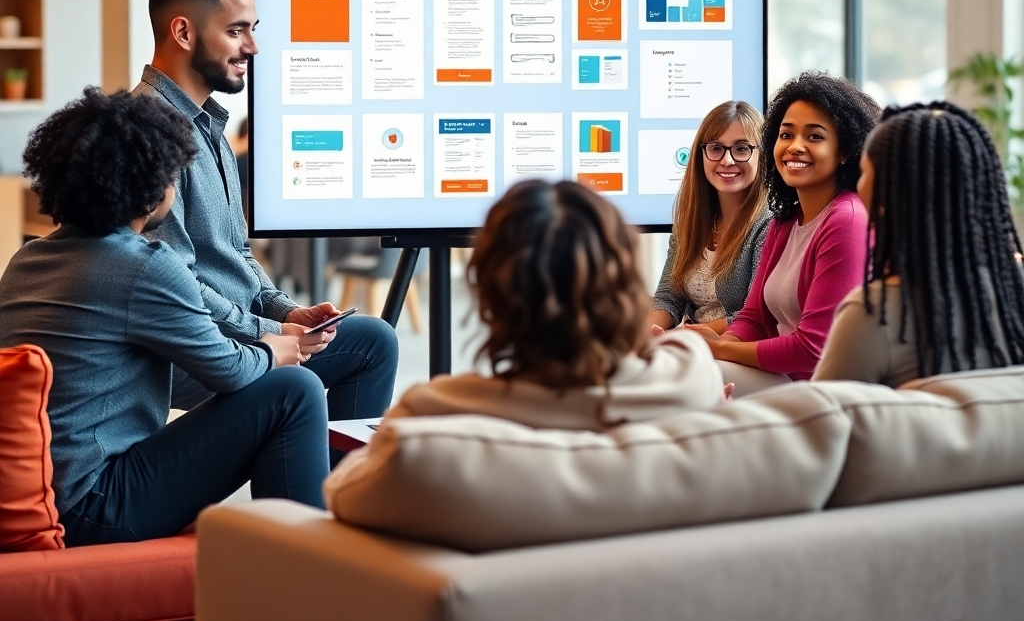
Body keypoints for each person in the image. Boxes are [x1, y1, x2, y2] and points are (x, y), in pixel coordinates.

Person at [0, 89, 329, 545]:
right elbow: (229, 370)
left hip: (48, 487)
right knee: (293, 389)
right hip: (92, 505)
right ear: (152, 186)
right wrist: (273, 348)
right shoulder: (142, 265)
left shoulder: (27, 259)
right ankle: (308, 567)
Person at [133, 0, 398, 420]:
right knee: (365, 351)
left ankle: (331, 488)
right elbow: (172, 282)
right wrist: (263, 331)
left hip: (232, 329)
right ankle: (340, 492)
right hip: (190, 348)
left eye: (252, 30)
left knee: (374, 337)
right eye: (236, 31)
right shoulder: (146, 132)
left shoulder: (210, 126)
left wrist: (285, 312)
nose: (252, 47)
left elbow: (235, 251)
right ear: (183, 33)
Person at [345, 180, 725, 434]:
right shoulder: (693, 380)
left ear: (493, 293)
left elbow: (344, 497)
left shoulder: (430, 416)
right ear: (623, 284)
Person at [813, 102, 1024, 387]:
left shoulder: (874, 314)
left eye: (863, 173)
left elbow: (821, 423)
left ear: (886, 197)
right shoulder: (1014, 289)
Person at [690, 72, 880, 384]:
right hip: (782, 380)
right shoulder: (785, 221)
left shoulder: (847, 220)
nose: (795, 147)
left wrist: (721, 350)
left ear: (845, 151)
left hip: (823, 391)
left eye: (815, 137)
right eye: (786, 135)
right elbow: (753, 319)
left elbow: (814, 348)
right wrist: (719, 346)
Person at [649, 101, 769, 334]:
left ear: (761, 154)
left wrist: (686, 335)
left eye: (742, 149)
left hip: (739, 347)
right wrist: (645, 333)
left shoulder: (769, 223)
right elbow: (668, 298)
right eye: (716, 148)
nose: (727, 160)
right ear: (701, 154)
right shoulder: (691, 220)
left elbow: (756, 315)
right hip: (696, 343)